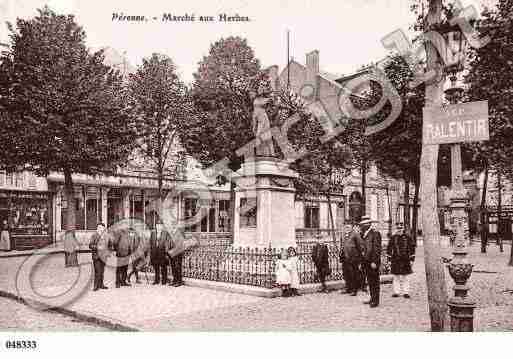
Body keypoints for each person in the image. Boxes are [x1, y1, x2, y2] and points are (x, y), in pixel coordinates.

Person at [387, 223, 416, 299]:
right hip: (395, 260)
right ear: (396, 229)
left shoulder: (408, 237)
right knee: (396, 276)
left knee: (406, 276)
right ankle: (396, 292)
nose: (399, 230)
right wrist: (389, 260)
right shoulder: (393, 238)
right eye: (398, 228)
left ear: (403, 229)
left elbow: (412, 248)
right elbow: (389, 249)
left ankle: (406, 292)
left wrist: (412, 259)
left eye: (401, 228)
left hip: (405, 260)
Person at [360, 215, 382, 308]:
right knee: (370, 281)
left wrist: (374, 261)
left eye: (364, 224)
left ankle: (375, 301)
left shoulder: (375, 234)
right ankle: (372, 298)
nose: (362, 226)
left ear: (369, 224)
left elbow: (376, 249)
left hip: (372, 262)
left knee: (374, 281)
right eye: (362, 224)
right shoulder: (365, 234)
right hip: (366, 262)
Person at [341, 224, 365, 296]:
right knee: (346, 274)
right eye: (345, 227)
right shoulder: (343, 235)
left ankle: (354, 290)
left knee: (354, 274)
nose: (347, 228)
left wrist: (359, 257)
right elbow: (342, 245)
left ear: (351, 228)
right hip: (345, 258)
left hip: (354, 258)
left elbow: (360, 246)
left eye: (348, 227)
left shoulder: (355, 234)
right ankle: (348, 288)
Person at [89, 223, 109, 291]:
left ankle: (101, 284)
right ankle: (95, 286)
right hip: (96, 256)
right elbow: (90, 245)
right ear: (97, 228)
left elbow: (108, 245)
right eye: (99, 227)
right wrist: (98, 247)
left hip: (103, 257)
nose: (101, 229)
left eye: (102, 228)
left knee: (102, 271)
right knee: (97, 271)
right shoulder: (94, 235)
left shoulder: (105, 236)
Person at [150, 220, 171, 285]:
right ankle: (156, 280)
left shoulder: (165, 233)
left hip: (162, 252)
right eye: (157, 225)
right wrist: (151, 251)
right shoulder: (153, 233)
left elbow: (167, 243)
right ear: (156, 226)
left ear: (162, 226)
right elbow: (150, 242)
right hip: (155, 252)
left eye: (160, 225)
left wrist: (166, 252)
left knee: (163, 267)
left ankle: (164, 281)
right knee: (156, 267)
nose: (158, 227)